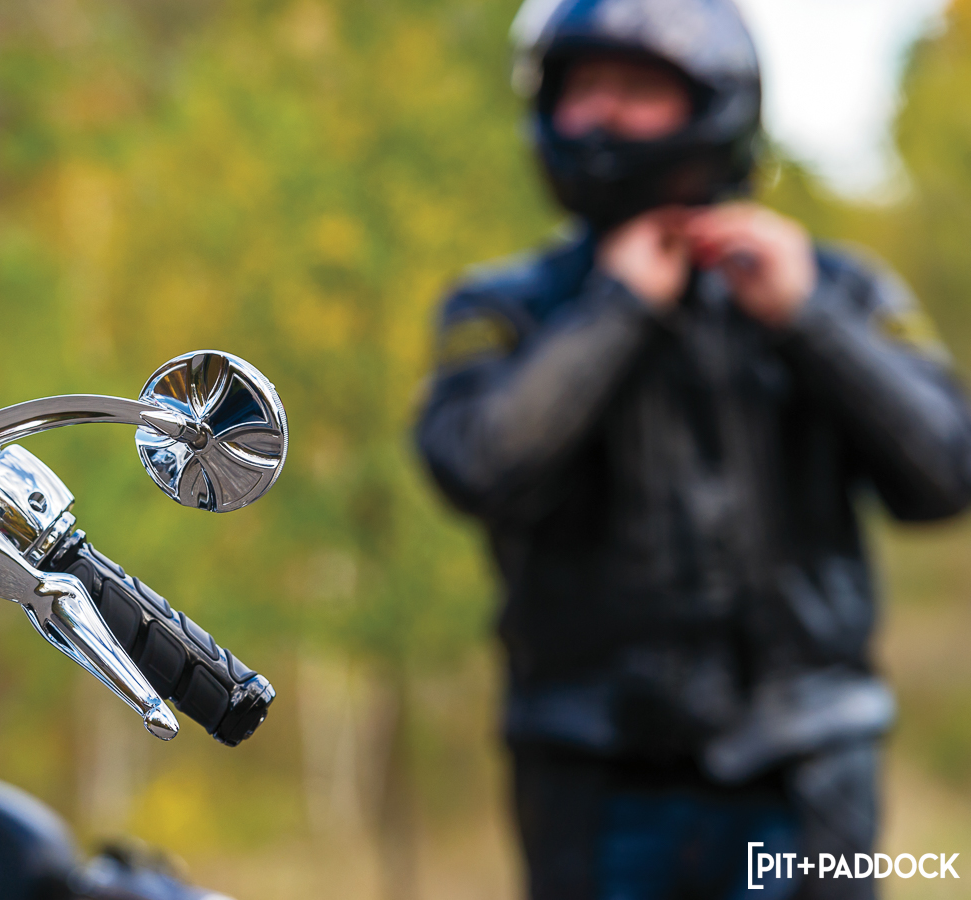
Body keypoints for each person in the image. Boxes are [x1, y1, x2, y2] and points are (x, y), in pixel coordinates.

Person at [414, 1, 971, 898]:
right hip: (590, 774)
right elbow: (476, 466)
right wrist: (618, 309)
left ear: (716, 101)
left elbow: (945, 473)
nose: (600, 114)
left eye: (636, 89)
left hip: (809, 767)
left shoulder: (836, 286)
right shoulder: (504, 307)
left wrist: (807, 320)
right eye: (582, 88)